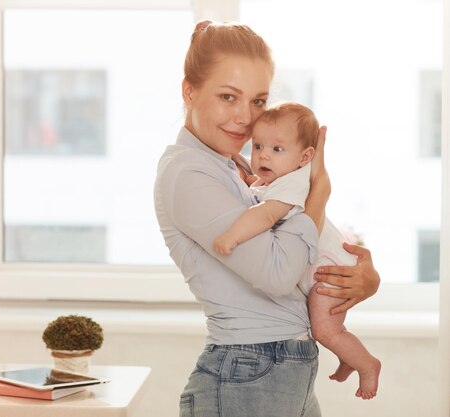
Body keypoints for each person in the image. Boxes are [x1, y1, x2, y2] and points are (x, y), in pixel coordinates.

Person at [153, 20, 381, 417]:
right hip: (247, 373)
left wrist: (358, 279)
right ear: (189, 91)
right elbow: (277, 274)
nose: (244, 118)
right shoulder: (188, 174)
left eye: (258, 101)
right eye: (228, 96)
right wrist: (318, 194)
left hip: (279, 367)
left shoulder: (234, 166)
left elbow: (300, 253)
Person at [213, 102, 381, 400]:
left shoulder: (294, 183)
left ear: (305, 158)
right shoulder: (282, 181)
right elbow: (261, 194)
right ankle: (347, 358)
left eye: (277, 149)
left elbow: (265, 215)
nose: (263, 155)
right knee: (330, 328)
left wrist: (231, 236)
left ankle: (367, 364)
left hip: (328, 272)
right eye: (259, 146)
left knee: (325, 331)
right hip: (324, 268)